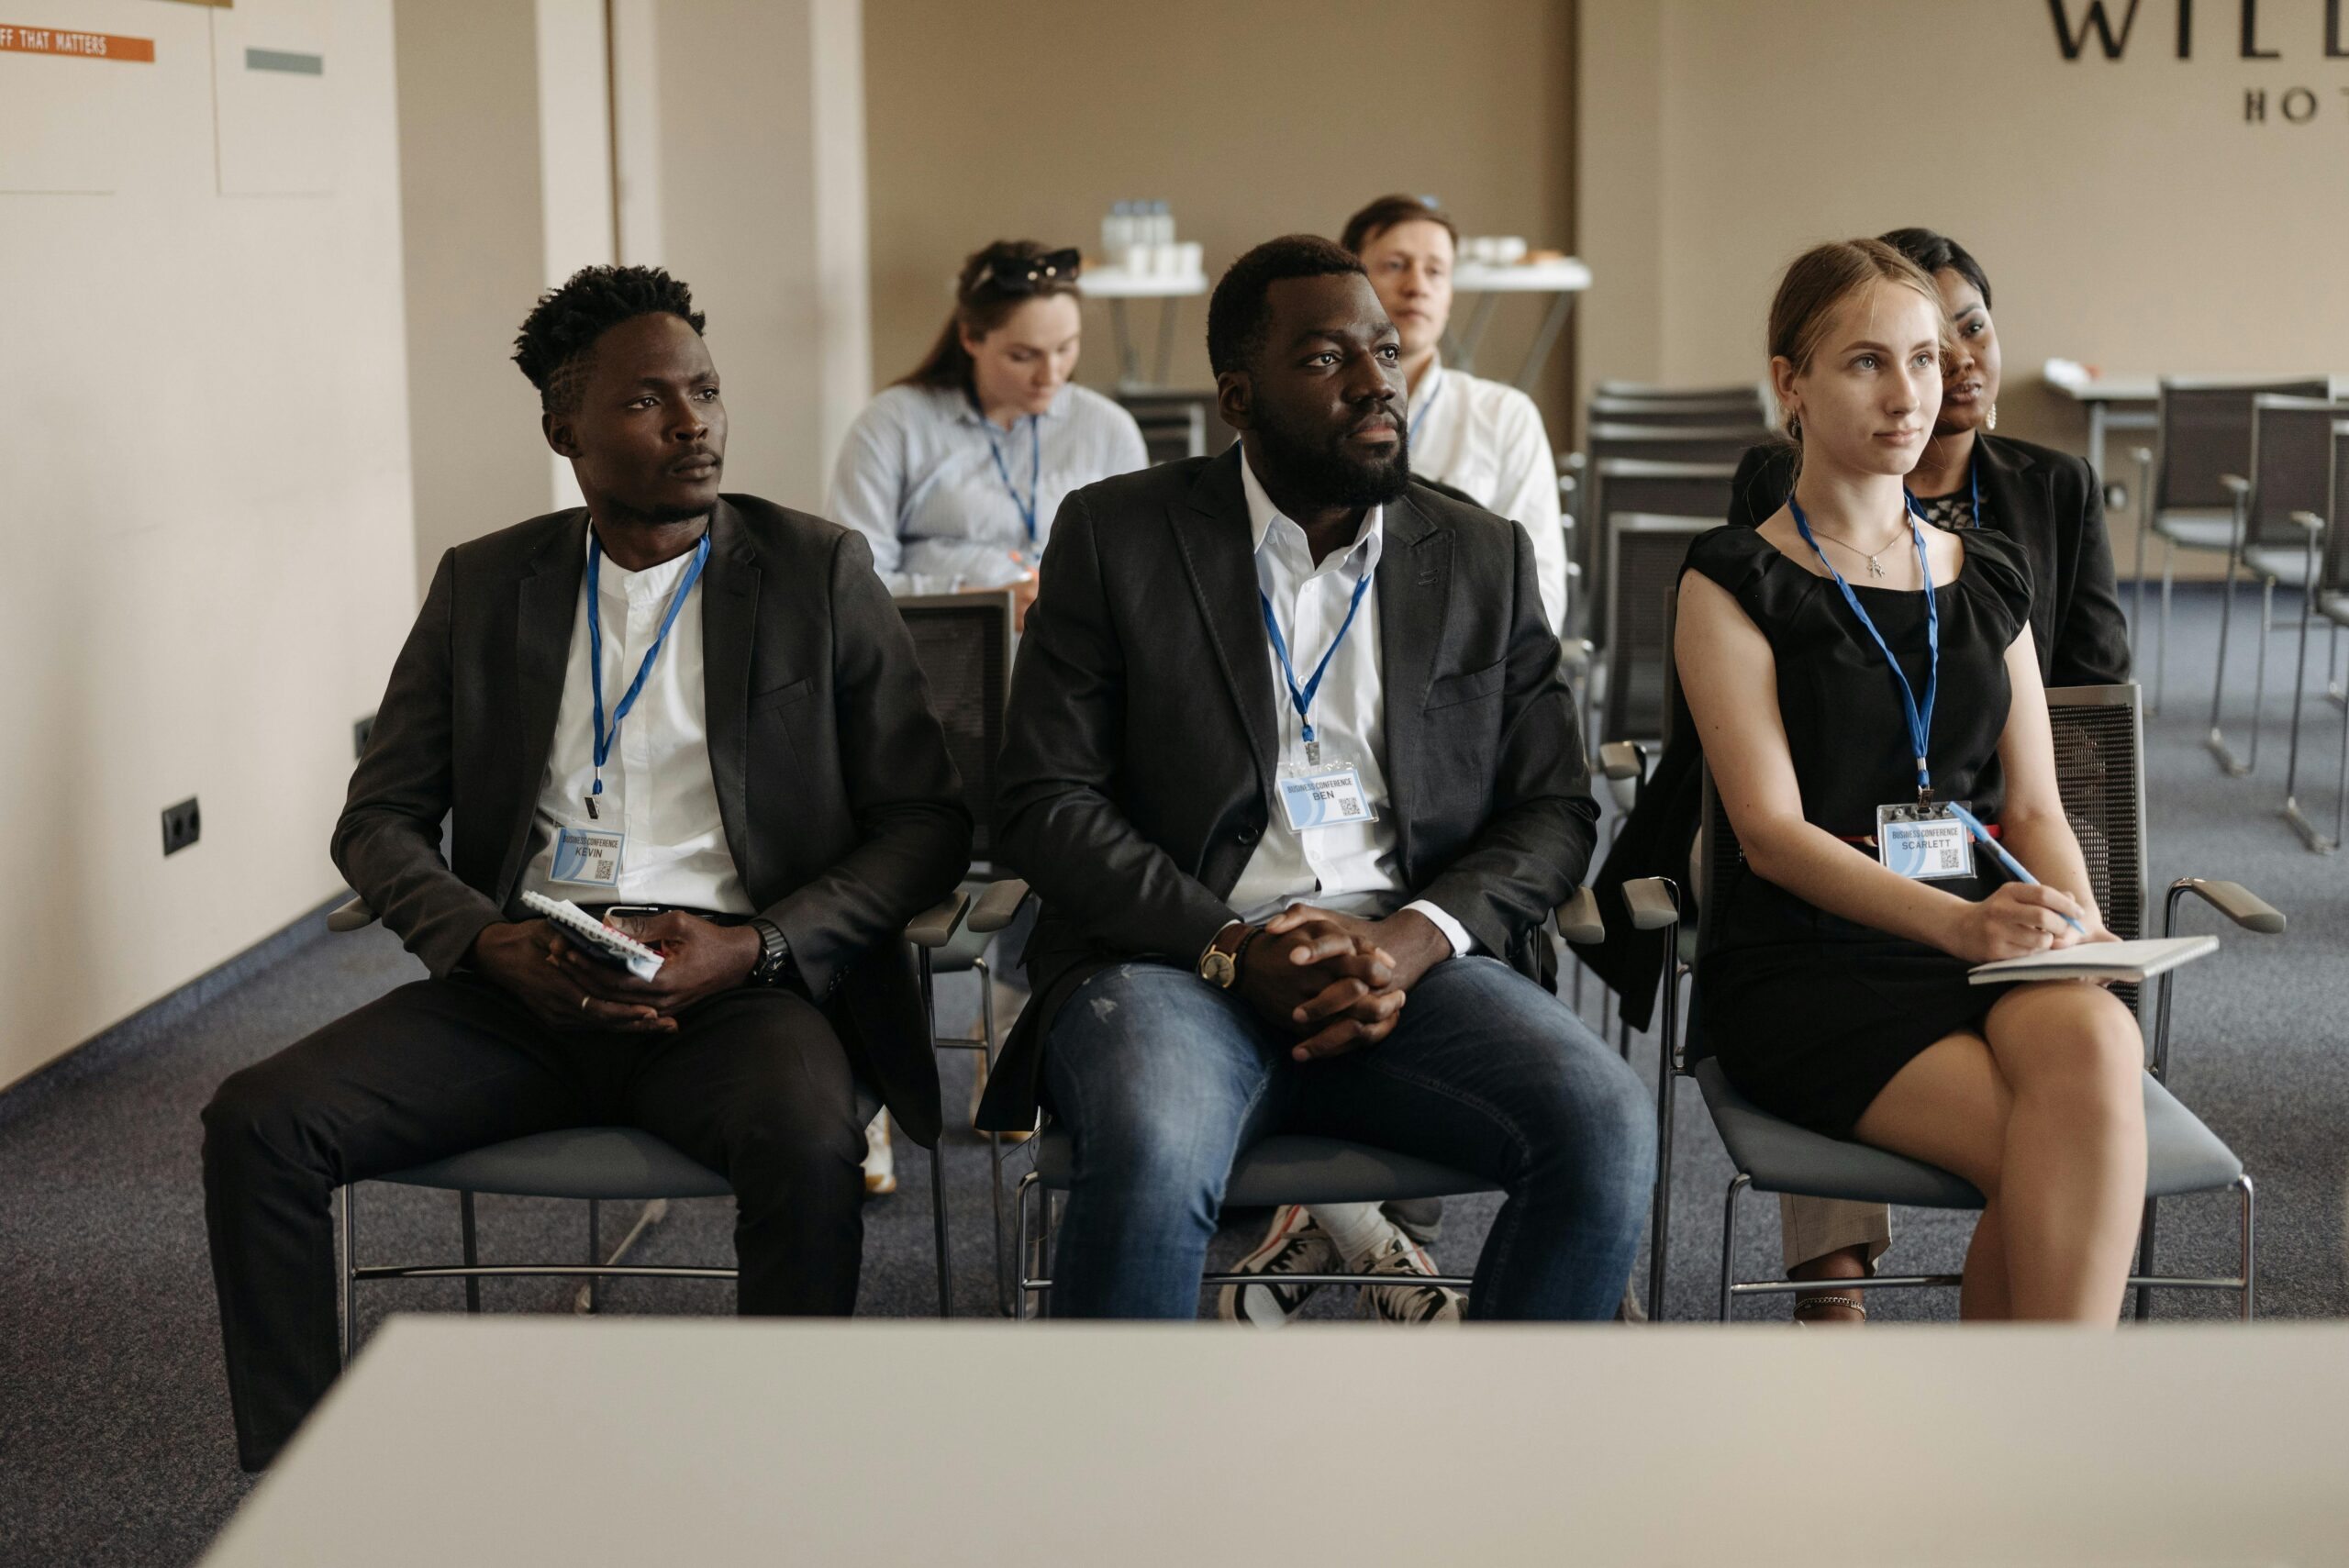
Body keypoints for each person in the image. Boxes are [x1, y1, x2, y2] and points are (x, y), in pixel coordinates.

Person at [200, 265, 971, 1470]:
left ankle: (791, 1464)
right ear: (564, 428)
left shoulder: (817, 572)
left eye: (707, 392)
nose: (694, 423)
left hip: (735, 990)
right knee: (260, 1120)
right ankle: (301, 1477)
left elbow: (925, 820)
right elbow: (380, 818)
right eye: (649, 400)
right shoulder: (485, 583)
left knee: (808, 1136)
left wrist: (759, 945)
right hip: (527, 988)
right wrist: (481, 940)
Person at [974, 235, 1653, 1323]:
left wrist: (1413, 938)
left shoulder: (1479, 554)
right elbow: (1043, 802)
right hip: (1173, 962)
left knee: (1605, 1120)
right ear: (1240, 396)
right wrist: (1229, 945)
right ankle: (1108, 1483)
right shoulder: (1119, 536)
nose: (1377, 380)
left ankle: (1514, 1466)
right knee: (1153, 1145)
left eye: (1383, 349)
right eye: (1329, 358)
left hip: (1404, 966)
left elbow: (1555, 807)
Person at [1575, 227, 2132, 1323]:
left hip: (1987, 937)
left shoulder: (1992, 575)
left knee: (2098, 1033)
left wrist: (2080, 925)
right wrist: (1959, 927)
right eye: (1866, 361)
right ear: (1790, 383)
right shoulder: (1733, 579)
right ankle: (2054, 1453)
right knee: (2055, 1155)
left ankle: (2030, 1446)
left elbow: (2031, 805)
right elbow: (1771, 834)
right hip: (1813, 963)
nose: (1909, 391)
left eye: (1923, 358)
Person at [828, 239, 1149, 624]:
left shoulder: (1110, 429)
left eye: (1065, 348)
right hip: (939, 655)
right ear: (970, 338)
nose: (1050, 376)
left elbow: (1137, 579)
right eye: (1022, 356)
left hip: (1074, 663)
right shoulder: (893, 424)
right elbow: (852, 584)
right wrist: (986, 604)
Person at [1341, 195, 1568, 635]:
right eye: (1395, 265)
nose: (1417, 286)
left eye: (1435, 271)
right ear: (1348, 281)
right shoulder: (1302, 409)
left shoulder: (1504, 417)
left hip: (1461, 666)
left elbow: (1543, 597)